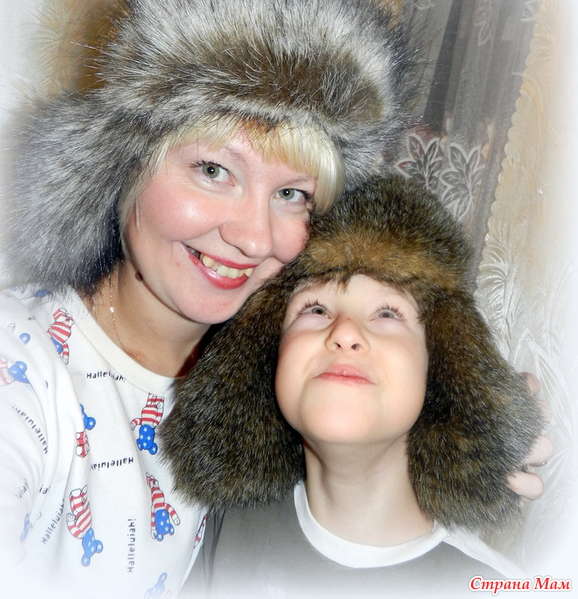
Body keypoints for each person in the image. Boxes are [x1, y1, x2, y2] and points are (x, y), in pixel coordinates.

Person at [0, 0, 548, 599]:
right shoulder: (14, 370)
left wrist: (463, 427)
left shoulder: (277, 370)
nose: (254, 238)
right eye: (213, 171)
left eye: (290, 193)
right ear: (124, 164)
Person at [163, 175, 544, 598]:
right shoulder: (218, 528)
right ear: (268, 357)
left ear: (440, 368)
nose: (344, 332)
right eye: (315, 308)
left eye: (387, 313)